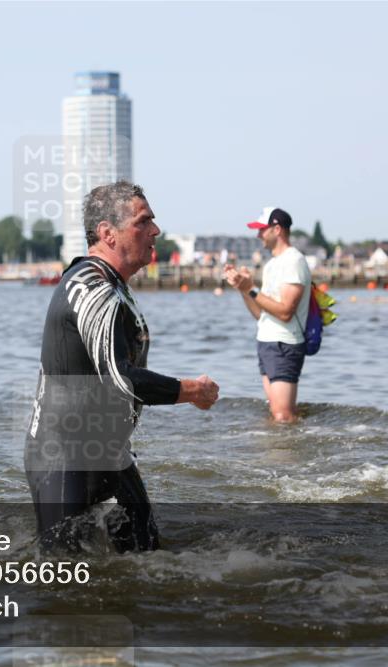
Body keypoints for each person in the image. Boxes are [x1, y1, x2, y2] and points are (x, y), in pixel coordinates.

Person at [24, 181, 219, 553]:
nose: (155, 231)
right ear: (107, 234)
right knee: (65, 583)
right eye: (143, 222)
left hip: (109, 453)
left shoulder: (110, 285)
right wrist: (193, 391)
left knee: (148, 558)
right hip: (65, 460)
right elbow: (120, 381)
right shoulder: (95, 291)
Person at [225, 207, 311, 424]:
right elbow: (261, 314)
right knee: (277, 413)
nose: (258, 235)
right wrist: (243, 288)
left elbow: (284, 312)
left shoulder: (293, 260)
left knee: (283, 416)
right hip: (267, 342)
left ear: (277, 229)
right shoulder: (272, 264)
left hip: (284, 343)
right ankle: (281, 452)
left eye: (262, 229)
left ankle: (290, 455)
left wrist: (252, 289)